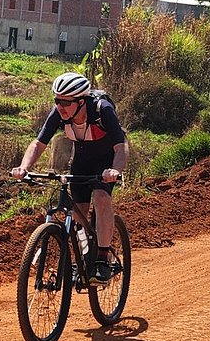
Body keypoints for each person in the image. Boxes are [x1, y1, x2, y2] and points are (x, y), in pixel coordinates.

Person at [11, 71, 129, 282]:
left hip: (106, 162)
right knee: (78, 211)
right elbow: (38, 143)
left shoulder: (103, 110)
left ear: (81, 102)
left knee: (102, 198)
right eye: (57, 101)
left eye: (66, 102)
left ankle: (102, 258)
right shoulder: (59, 114)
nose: (60, 107)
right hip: (82, 161)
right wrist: (23, 167)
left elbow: (121, 147)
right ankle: (84, 257)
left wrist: (115, 171)